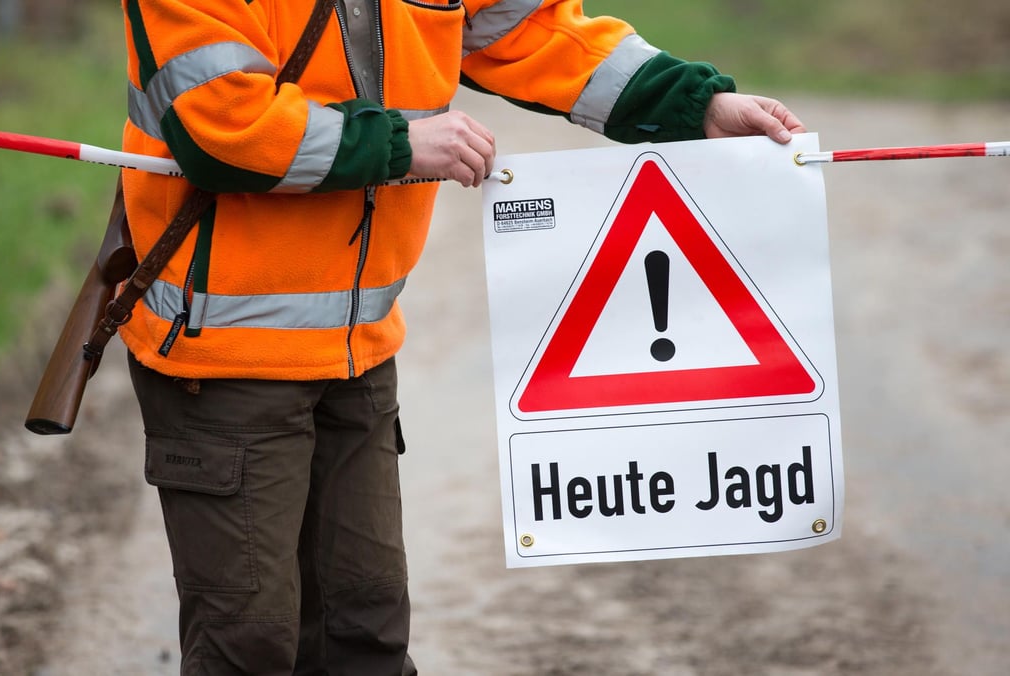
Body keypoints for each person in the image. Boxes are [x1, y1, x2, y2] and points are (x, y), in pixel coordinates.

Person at [118, 0, 806, 673]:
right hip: (222, 359)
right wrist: (402, 144)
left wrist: (696, 106)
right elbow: (221, 120)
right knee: (251, 644)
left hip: (359, 357)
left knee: (366, 632)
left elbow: (534, 29)